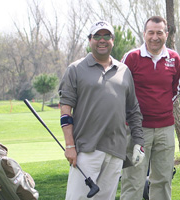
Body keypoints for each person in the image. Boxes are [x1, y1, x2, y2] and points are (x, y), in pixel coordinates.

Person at [58, 20, 145, 200]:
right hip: (86, 149)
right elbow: (65, 110)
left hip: (116, 150)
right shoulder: (75, 69)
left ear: (113, 40)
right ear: (90, 40)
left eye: (107, 36)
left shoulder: (124, 70)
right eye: (97, 36)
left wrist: (138, 141)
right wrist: (69, 146)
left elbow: (134, 110)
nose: (102, 40)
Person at [120, 16, 180, 200]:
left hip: (165, 128)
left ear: (166, 34)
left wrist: (160, 106)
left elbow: (175, 89)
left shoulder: (174, 58)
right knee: (133, 180)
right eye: (151, 32)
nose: (155, 37)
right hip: (137, 129)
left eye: (159, 33)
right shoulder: (132, 58)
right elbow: (121, 89)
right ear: (144, 34)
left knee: (163, 180)